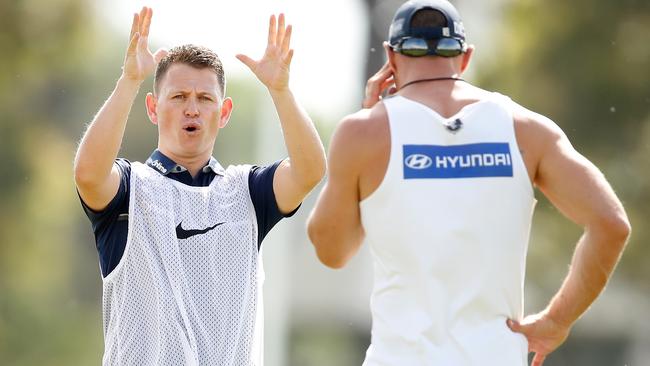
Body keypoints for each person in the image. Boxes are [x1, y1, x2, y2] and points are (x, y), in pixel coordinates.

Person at [306, 1, 630, 365]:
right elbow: (611, 224)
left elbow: (332, 251)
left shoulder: (363, 132)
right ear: (465, 58)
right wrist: (557, 320)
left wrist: (364, 136)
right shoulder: (527, 129)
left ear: (391, 58)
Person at [74, 7, 325, 365]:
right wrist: (128, 81)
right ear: (153, 108)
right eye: (178, 97)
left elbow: (311, 170)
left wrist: (281, 91)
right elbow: (88, 174)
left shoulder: (246, 193)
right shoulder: (131, 189)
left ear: (223, 113)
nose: (192, 109)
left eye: (205, 99)